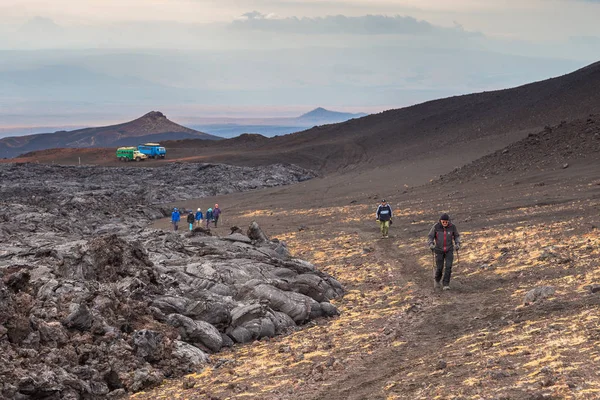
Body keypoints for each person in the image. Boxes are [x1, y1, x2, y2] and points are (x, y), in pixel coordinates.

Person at [428, 213, 461, 291]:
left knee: (448, 267)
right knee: (439, 267)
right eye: (443, 222)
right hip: (439, 250)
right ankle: (437, 279)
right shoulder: (436, 227)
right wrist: (431, 244)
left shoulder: (452, 227)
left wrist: (457, 243)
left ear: (448, 221)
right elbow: (430, 236)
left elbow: (457, 236)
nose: (445, 223)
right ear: (440, 221)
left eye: (446, 222)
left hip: (449, 249)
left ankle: (446, 284)